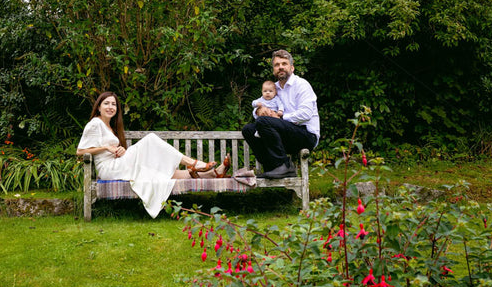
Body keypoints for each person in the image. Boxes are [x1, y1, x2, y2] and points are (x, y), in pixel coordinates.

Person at [76, 92, 230, 217]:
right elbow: (80, 152)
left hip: (117, 164)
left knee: (159, 171)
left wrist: (119, 151)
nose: (110, 107)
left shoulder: (109, 126)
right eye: (106, 103)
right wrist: (105, 148)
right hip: (108, 170)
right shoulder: (95, 123)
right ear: (98, 107)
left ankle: (212, 173)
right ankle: (195, 163)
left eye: (114, 104)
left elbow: (111, 149)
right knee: (150, 139)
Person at [242, 50, 320, 179]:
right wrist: (259, 111)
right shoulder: (273, 88)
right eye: (277, 65)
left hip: (306, 135)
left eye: (284, 63)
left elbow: (306, 114)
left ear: (292, 67)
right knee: (248, 130)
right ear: (273, 70)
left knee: (264, 122)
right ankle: (272, 167)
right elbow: (260, 105)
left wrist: (280, 117)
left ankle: (284, 166)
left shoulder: (301, 85)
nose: (281, 67)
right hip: (285, 135)